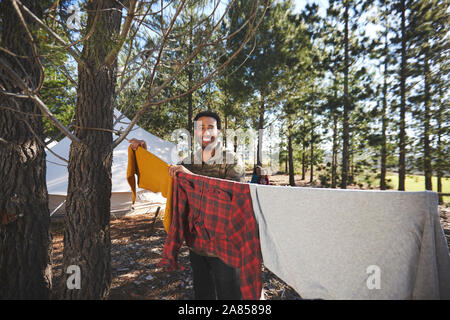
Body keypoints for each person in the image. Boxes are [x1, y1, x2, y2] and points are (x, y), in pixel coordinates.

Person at [129, 110, 245, 300]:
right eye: (201, 128)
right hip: (198, 244)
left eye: (210, 127)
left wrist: (191, 177)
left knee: (230, 295)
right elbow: (169, 178)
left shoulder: (231, 161)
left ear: (219, 132)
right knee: (203, 294)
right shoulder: (188, 162)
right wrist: (143, 153)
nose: (206, 132)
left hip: (226, 245)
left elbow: (233, 197)